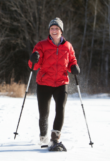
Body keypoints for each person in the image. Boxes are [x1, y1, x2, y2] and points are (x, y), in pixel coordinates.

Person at [28, 17, 80, 150]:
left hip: (61, 83)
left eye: (57, 28)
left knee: (60, 109)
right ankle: (44, 137)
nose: (54, 31)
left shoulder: (68, 46)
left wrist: (74, 66)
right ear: (49, 31)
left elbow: (72, 61)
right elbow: (34, 66)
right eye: (52, 28)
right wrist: (33, 59)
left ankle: (55, 138)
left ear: (61, 31)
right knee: (44, 112)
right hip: (44, 82)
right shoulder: (41, 45)